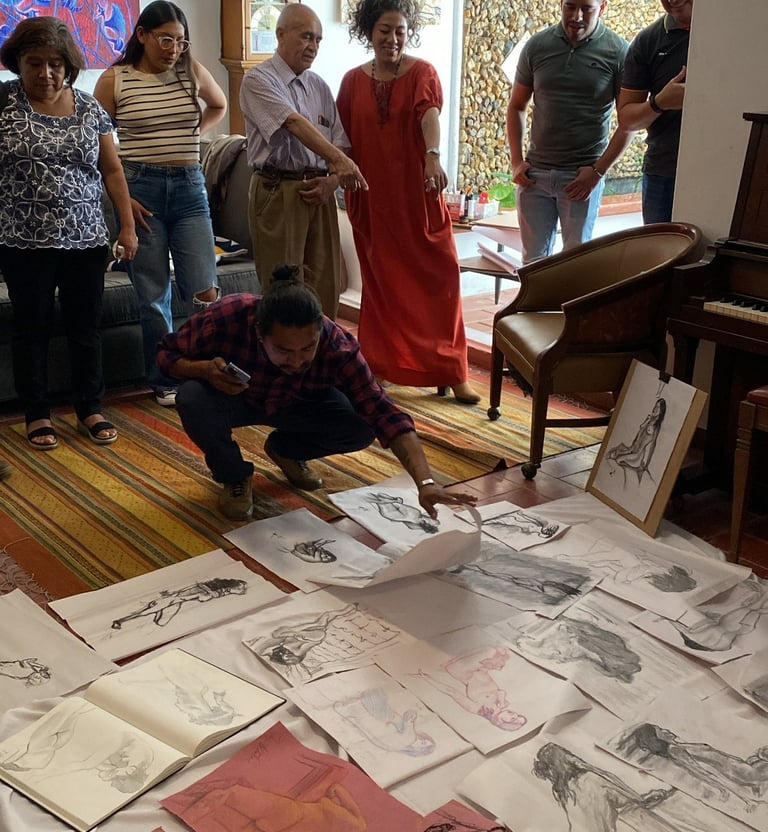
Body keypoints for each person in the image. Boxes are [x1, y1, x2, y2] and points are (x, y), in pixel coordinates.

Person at [156, 265, 478, 520]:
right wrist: (203, 370)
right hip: (235, 397)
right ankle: (234, 475)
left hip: (298, 403)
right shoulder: (229, 316)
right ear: (259, 334)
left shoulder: (337, 345)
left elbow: (383, 411)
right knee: (192, 397)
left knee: (361, 425)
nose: (297, 361)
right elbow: (164, 355)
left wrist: (425, 482)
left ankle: (287, 450)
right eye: (284, 351)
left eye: (307, 348)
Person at [0, 16, 137, 450]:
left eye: (55, 63)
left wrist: (127, 227)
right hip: (24, 240)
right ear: (18, 63)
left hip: (86, 239)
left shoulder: (89, 108)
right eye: (34, 63)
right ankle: (37, 413)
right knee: (32, 328)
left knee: (85, 328)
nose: (45, 73)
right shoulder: (4, 103)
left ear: (69, 65)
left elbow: (111, 170)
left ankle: (90, 407)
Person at [336, 0, 480, 404]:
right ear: (369, 31)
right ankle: (381, 365)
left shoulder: (422, 73)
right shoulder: (351, 82)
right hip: (373, 199)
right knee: (383, 285)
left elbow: (428, 115)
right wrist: (333, 177)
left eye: (400, 30)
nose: (393, 39)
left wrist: (433, 155)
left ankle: (452, 370)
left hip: (417, 197)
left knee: (442, 277)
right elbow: (343, 141)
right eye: (385, 30)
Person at [93, 0, 227, 408]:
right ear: (142, 35)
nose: (174, 49)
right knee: (153, 296)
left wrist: (194, 133)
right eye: (166, 39)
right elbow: (97, 145)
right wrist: (123, 198)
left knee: (204, 289)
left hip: (189, 190)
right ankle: (164, 378)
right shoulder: (114, 79)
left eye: (181, 42)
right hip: (141, 191)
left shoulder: (191, 71)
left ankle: (205, 370)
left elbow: (219, 104)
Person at [239, 3, 367, 320]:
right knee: (283, 291)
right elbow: (293, 123)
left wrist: (333, 181)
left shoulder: (319, 86)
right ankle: (282, 353)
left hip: (320, 192)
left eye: (318, 39)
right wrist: (341, 162)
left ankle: (321, 351)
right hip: (278, 190)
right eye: (306, 36)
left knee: (325, 286)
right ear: (280, 34)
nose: (313, 46)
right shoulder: (258, 80)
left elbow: (340, 140)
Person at [507, 1, 633, 263]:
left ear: (603, 7)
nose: (577, 16)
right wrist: (517, 162)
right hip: (534, 177)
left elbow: (629, 122)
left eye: (587, 8)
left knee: (575, 264)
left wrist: (597, 172)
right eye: (570, 6)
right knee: (532, 265)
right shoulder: (537, 46)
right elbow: (517, 105)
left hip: (581, 178)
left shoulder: (618, 51)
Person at [617, 0, 693, 224]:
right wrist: (660, 103)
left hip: (725, 165)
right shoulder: (647, 41)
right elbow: (627, 120)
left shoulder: (732, 32)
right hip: (663, 171)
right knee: (660, 245)